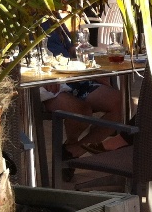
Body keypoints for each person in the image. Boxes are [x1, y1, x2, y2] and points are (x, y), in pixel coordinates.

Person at [43, 23, 127, 158]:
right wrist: (45, 75)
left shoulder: (52, 17)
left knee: (121, 103)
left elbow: (72, 49)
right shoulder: (18, 20)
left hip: (73, 76)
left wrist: (94, 68)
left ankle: (74, 150)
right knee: (82, 111)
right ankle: (71, 148)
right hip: (46, 83)